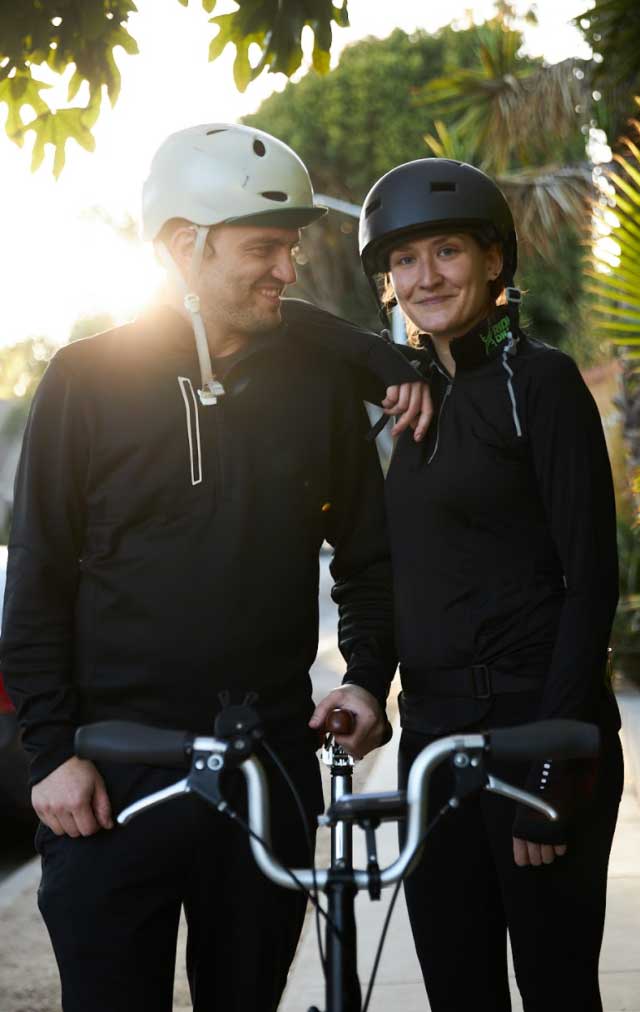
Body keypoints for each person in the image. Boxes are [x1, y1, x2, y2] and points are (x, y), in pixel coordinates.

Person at [0, 124, 432, 1012]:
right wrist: (49, 754)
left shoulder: (316, 387)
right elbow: (36, 579)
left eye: (293, 248)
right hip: (111, 771)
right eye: (264, 248)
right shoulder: (84, 380)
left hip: (267, 764)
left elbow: (368, 561)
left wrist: (367, 680)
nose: (287, 269)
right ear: (182, 245)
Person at [313, 158, 624, 1012]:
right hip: (435, 748)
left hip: (537, 735)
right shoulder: (400, 405)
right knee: (458, 992)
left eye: (447, 251)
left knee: (559, 991)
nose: (425, 277)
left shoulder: (543, 384)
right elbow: (289, 323)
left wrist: (556, 772)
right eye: (403, 262)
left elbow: (591, 580)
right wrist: (368, 682)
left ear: (494, 261)